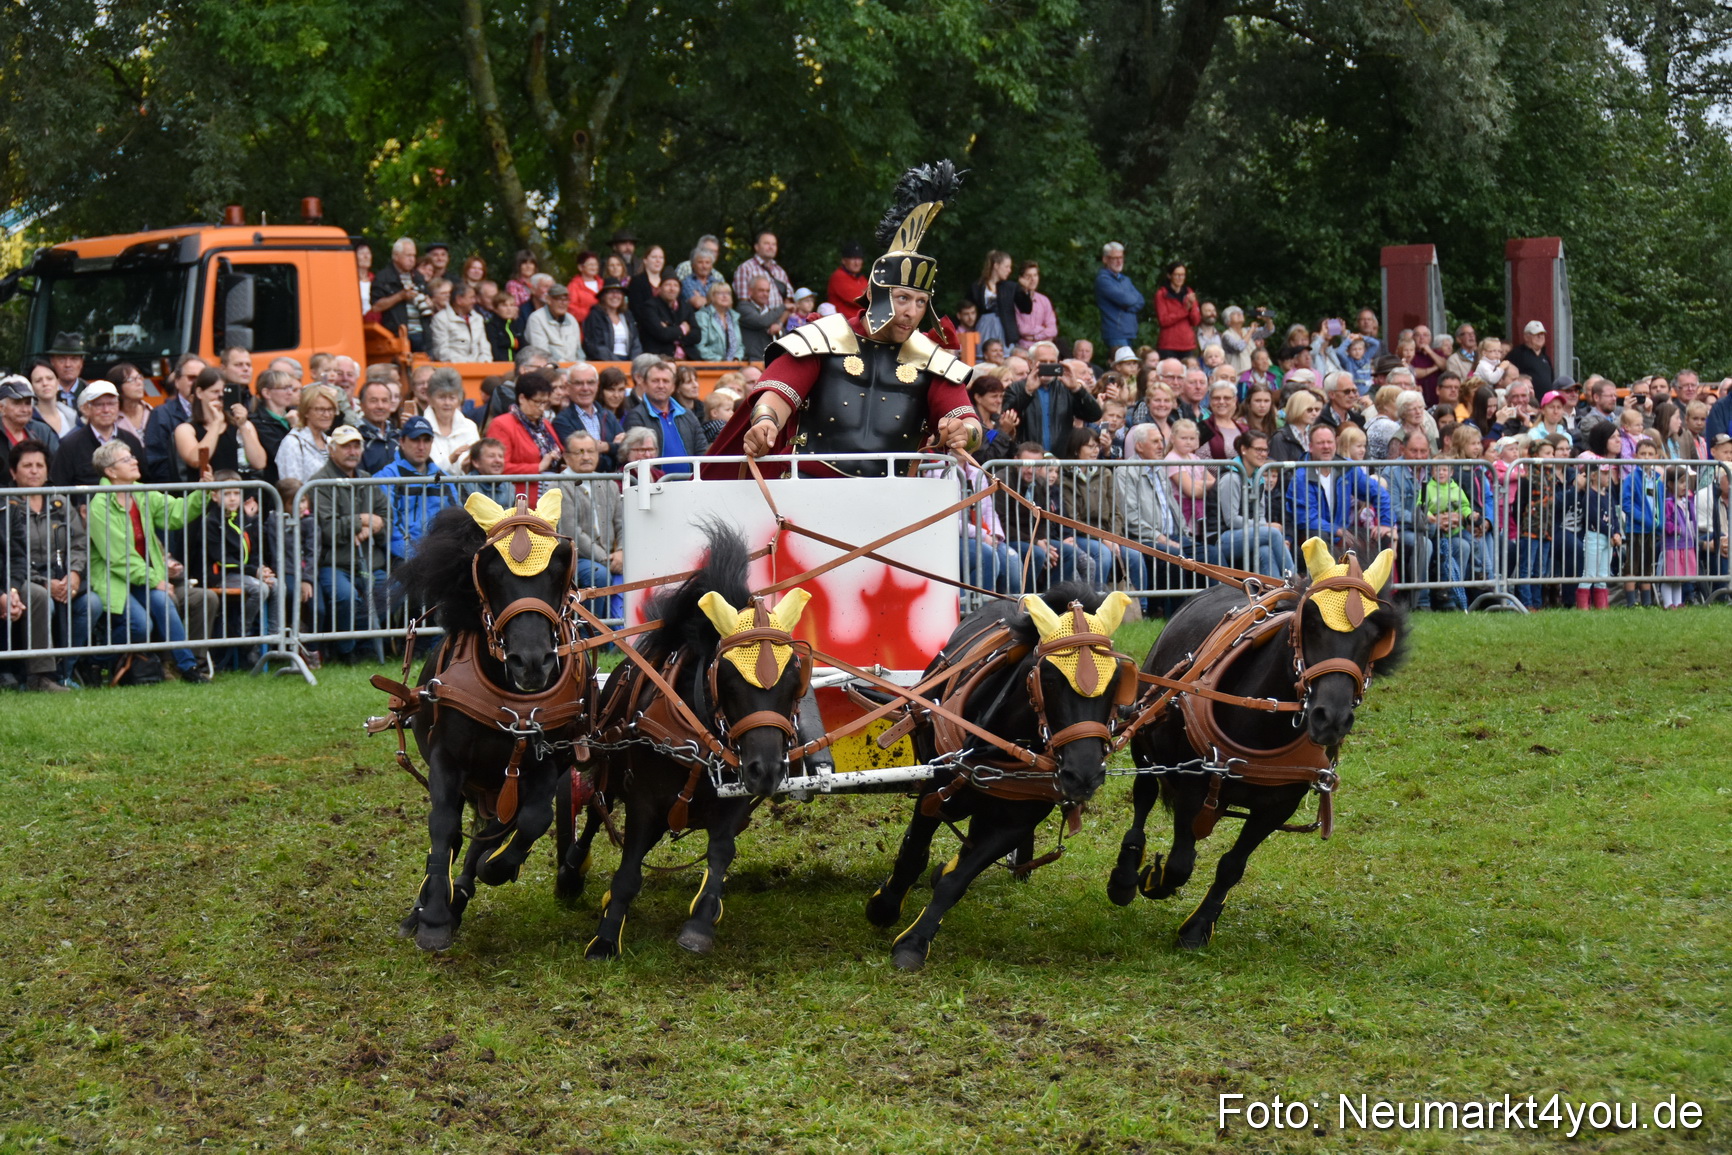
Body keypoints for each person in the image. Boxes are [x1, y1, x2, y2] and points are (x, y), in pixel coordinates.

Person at [707, 161, 978, 478]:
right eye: (902, 298)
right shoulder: (825, 337)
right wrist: (766, 421)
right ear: (877, 295)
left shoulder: (929, 357)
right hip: (810, 489)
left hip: (894, 499)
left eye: (921, 302)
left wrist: (965, 433)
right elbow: (778, 393)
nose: (912, 312)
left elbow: (966, 418)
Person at [86, 440, 212, 682]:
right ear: (111, 472)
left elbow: (176, 513)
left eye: (132, 456)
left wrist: (202, 491)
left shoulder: (141, 493)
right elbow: (119, 558)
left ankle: (188, 668)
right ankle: (94, 661)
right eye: (126, 459)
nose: (135, 460)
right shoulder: (99, 505)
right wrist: (156, 579)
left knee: (163, 604)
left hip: (142, 576)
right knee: (140, 626)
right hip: (115, 579)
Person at [2, 441, 94, 690]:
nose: (34, 471)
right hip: (21, 578)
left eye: (39, 465)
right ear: (13, 472)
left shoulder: (60, 502)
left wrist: (74, 574)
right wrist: (44, 582)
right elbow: (12, 554)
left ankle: (67, 668)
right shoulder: (5, 504)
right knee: (43, 599)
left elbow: (79, 543)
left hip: (62, 575)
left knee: (91, 604)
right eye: (27, 465)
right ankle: (40, 676)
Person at [1285, 423, 1396, 552]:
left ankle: (1366, 572)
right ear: (1310, 447)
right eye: (1320, 443)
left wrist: (1385, 523)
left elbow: (1378, 493)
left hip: (1342, 531)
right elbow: (1307, 518)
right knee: (1318, 536)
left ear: (1335, 444)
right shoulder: (1301, 476)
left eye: (1329, 442)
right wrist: (1336, 530)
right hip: (1313, 534)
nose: (1326, 447)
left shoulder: (1347, 468)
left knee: (1383, 537)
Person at [552, 432, 622, 615]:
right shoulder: (558, 485)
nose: (586, 457)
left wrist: (622, 552)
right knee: (599, 575)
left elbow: (622, 524)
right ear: (566, 457)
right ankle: (591, 635)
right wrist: (605, 558)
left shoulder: (609, 484)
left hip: (609, 556)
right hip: (573, 557)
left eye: (591, 451)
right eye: (579, 452)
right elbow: (570, 531)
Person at [374, 416, 460, 564]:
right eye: (415, 440)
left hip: (437, 557)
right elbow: (390, 528)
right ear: (401, 442)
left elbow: (455, 521)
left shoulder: (444, 478)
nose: (421, 446)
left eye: (426, 440)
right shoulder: (386, 476)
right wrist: (416, 556)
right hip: (400, 559)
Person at [1210, 430, 1294, 577]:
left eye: (1265, 450)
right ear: (1244, 450)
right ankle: (1295, 580)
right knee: (1273, 533)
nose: (1263, 454)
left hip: (1247, 534)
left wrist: (1263, 527)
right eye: (1258, 449)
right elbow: (1231, 520)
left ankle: (1276, 594)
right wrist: (1264, 527)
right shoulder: (1231, 477)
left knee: (1265, 551)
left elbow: (1260, 514)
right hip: (1220, 538)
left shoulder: (1258, 477)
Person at [50, 380, 145, 494]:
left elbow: (145, 479)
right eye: (99, 405)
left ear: (118, 406)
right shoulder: (70, 445)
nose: (106, 410)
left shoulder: (131, 441)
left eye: (111, 404)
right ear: (86, 408)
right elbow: (60, 485)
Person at [1378, 431, 1437, 607]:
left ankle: (1449, 597)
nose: (1419, 456)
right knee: (1424, 544)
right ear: (1403, 449)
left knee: (1460, 544)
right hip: (1401, 529)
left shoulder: (1434, 469)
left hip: (1429, 527)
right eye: (1414, 451)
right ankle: (1420, 601)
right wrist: (1423, 519)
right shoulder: (1392, 472)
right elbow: (1394, 509)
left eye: (1423, 451)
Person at [174, 367, 266, 479]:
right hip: (207, 493)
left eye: (224, 392)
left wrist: (242, 426)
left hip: (239, 493)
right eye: (215, 392)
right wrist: (216, 423)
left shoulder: (243, 426)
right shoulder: (186, 429)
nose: (220, 397)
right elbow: (196, 460)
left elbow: (260, 463)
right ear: (199, 393)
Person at [485, 371, 562, 482]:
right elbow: (498, 467)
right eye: (537, 402)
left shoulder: (545, 423)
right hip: (521, 494)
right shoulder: (501, 425)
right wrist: (538, 467)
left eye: (545, 403)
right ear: (522, 398)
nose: (541, 408)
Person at [371, 237, 429, 352]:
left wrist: (429, 301)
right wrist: (400, 296)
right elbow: (376, 307)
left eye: (414, 256)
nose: (412, 259)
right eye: (408, 256)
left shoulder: (418, 277)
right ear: (396, 256)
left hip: (422, 333)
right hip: (398, 334)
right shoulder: (383, 277)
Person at [581, 278, 642, 361]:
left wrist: (633, 362)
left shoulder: (627, 315)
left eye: (619, 292)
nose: (615, 296)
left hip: (628, 361)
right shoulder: (595, 316)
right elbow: (596, 346)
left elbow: (635, 342)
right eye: (611, 292)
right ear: (603, 296)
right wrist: (617, 363)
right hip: (604, 362)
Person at [428, 283, 490, 363]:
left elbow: (484, 346)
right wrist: (466, 364)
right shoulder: (441, 319)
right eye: (471, 298)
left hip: (480, 367)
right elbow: (441, 351)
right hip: (453, 368)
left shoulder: (478, 318)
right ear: (459, 300)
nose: (474, 301)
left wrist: (485, 361)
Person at [731, 229, 792, 310]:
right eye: (766, 244)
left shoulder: (780, 271)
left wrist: (780, 322)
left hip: (780, 320)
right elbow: (744, 303)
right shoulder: (745, 269)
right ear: (756, 247)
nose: (771, 247)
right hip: (756, 319)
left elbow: (789, 298)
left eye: (774, 244)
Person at [524, 283, 584, 364]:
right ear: (548, 300)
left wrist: (581, 365)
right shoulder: (536, 318)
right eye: (558, 299)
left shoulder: (572, 319)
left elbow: (578, 350)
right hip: (548, 368)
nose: (563, 303)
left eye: (566, 299)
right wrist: (563, 364)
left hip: (573, 368)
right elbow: (541, 351)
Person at [637, 273, 694, 357]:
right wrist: (683, 329)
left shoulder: (686, 307)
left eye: (676, 285)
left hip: (687, 357)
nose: (672, 289)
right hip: (662, 357)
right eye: (667, 285)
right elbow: (662, 334)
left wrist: (670, 331)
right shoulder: (650, 306)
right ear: (659, 289)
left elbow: (697, 335)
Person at [1153, 262, 1200, 359]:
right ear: (1169, 276)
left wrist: (1191, 308)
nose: (1180, 278)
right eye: (1177, 275)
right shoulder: (1161, 294)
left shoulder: (1189, 292)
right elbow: (1164, 320)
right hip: (1168, 344)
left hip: (1187, 344)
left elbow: (1196, 321)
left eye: (1182, 275)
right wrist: (1184, 310)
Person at [737, 275, 789, 362]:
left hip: (771, 361)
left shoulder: (770, 312)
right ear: (750, 291)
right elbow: (761, 321)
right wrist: (784, 307)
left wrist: (778, 325)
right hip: (751, 361)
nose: (765, 294)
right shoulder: (743, 307)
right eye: (761, 290)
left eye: (767, 291)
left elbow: (780, 333)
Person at [694, 281, 745, 361]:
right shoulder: (702, 316)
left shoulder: (734, 317)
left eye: (728, 293)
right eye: (720, 293)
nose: (725, 296)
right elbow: (699, 347)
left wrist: (737, 358)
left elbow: (740, 346)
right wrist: (721, 361)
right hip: (711, 365)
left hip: (734, 365)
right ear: (712, 297)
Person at [1267, 391, 1321, 463]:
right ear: (1297, 409)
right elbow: (1281, 471)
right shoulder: (1280, 437)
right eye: (1309, 410)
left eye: (1316, 410)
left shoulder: (1312, 435)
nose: (1314, 414)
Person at [1013, 261, 1058, 345]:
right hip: (1022, 347)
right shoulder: (1015, 300)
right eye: (1028, 276)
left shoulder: (1044, 300)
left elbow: (1053, 329)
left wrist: (1034, 337)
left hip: (1043, 346)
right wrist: (1042, 329)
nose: (1033, 279)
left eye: (1035, 275)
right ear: (1021, 279)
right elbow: (1022, 329)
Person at [1507, 320, 1555, 395]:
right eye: (1536, 334)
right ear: (1526, 337)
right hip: (1526, 401)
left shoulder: (1546, 358)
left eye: (1542, 334)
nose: (1540, 336)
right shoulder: (1517, 354)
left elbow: (1552, 380)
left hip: (1545, 403)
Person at [826, 241, 868, 320]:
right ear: (844, 261)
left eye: (859, 259)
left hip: (860, 324)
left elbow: (870, 298)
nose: (857, 263)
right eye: (853, 258)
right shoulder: (838, 276)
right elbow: (861, 301)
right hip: (844, 325)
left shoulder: (862, 279)